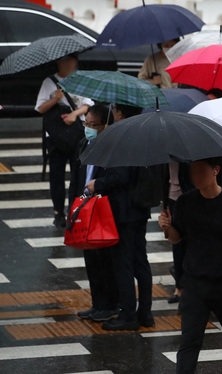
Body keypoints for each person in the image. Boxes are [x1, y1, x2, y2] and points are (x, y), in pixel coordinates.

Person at [158, 157, 222, 374]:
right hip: (195, 284)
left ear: (215, 171)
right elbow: (176, 238)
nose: (195, 177)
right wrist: (167, 228)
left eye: (200, 171)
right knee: (189, 342)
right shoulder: (186, 202)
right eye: (192, 172)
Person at [86, 103, 153, 331]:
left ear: (121, 113)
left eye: (114, 110)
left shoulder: (123, 135)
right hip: (139, 208)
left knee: (123, 264)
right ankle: (145, 313)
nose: (112, 114)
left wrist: (98, 184)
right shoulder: (144, 133)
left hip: (123, 211)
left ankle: (128, 315)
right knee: (140, 262)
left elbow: (120, 176)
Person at [71, 104, 119, 322]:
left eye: (92, 125)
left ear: (105, 126)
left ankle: (109, 305)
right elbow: (76, 177)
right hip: (85, 208)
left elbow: (117, 179)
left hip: (102, 209)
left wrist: (98, 184)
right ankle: (97, 303)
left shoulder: (111, 148)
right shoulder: (84, 143)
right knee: (90, 259)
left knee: (104, 261)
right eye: (86, 124)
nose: (88, 128)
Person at [35, 54, 93, 228]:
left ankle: (75, 210)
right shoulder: (50, 82)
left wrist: (74, 114)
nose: (70, 64)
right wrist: (55, 98)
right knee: (57, 176)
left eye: (72, 60)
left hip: (76, 135)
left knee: (77, 175)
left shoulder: (80, 80)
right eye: (66, 61)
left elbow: (87, 104)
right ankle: (58, 212)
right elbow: (40, 108)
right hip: (56, 137)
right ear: (59, 62)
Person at [164, 162, 193, 304]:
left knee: (190, 243)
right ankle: (179, 287)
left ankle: (188, 286)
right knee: (177, 245)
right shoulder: (166, 146)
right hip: (172, 197)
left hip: (189, 196)